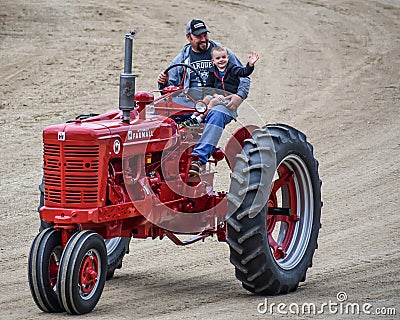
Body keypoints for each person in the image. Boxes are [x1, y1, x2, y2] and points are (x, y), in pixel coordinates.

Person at [157, 19, 251, 176]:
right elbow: (169, 89)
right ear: (189, 37)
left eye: (205, 35)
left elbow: (244, 77)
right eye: (199, 36)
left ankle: (198, 159)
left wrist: (239, 96)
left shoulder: (221, 53)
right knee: (159, 109)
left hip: (221, 100)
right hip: (191, 103)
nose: (204, 39)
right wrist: (163, 83)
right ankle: (161, 161)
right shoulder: (183, 57)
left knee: (217, 113)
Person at [180, 45, 259, 128]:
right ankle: (192, 117)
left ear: (228, 58)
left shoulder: (232, 69)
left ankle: (199, 119)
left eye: (223, 57)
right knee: (206, 99)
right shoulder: (213, 71)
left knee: (213, 102)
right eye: (218, 58)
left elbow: (244, 72)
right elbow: (209, 87)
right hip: (218, 97)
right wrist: (216, 95)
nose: (221, 60)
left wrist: (250, 65)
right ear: (213, 61)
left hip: (229, 99)